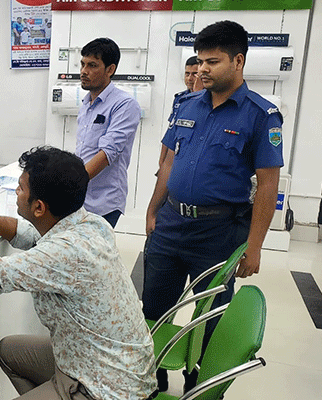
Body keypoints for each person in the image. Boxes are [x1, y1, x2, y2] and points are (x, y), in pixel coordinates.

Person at [0, 146, 156, 400]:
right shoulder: (91, 224)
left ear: (39, 207)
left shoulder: (64, 253)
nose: (16, 193)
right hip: (105, 363)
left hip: (109, 390)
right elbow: (28, 234)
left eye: (20, 188)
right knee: (8, 351)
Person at [143, 20, 283, 393]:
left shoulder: (260, 115)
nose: (202, 69)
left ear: (238, 61)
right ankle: (151, 376)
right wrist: (152, 210)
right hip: (171, 224)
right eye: (201, 61)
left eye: (213, 61)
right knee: (153, 309)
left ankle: (199, 382)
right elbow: (168, 163)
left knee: (211, 316)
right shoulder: (187, 104)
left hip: (218, 233)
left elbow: (268, 185)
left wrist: (254, 247)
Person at [77, 38, 141, 227]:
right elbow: (82, 150)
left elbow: (107, 153)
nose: (83, 71)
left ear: (110, 69)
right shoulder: (86, 103)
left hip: (104, 201)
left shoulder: (125, 104)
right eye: (82, 64)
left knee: (94, 254)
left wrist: (71, 184)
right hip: (80, 197)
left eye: (92, 65)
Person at [159, 55, 200, 169]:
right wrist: (162, 162)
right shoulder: (180, 99)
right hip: (177, 154)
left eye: (194, 74)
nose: (190, 78)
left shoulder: (211, 99)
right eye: (187, 74)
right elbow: (171, 130)